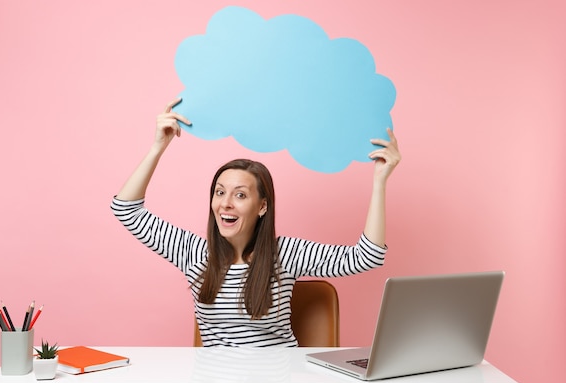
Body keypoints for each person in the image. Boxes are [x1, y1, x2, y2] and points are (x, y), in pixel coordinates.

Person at [111, 98, 401, 347]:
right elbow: (126, 209)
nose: (225, 203)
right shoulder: (194, 253)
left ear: (262, 206)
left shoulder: (285, 254)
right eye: (220, 192)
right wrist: (157, 147)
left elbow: (367, 257)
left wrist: (379, 183)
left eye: (240, 195)